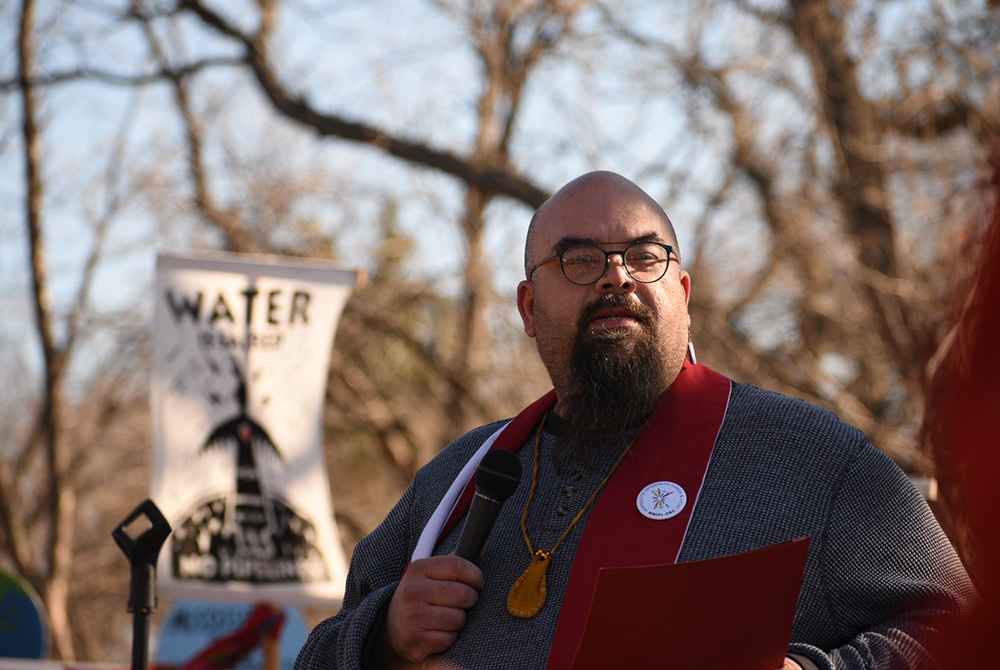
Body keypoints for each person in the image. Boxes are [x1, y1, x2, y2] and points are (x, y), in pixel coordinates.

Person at [295, 171, 975, 670]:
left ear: (681, 293)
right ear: (529, 309)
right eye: (580, 259)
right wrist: (382, 637)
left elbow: (962, 637)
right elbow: (315, 657)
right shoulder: (456, 482)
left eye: (645, 256)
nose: (616, 277)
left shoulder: (814, 460)